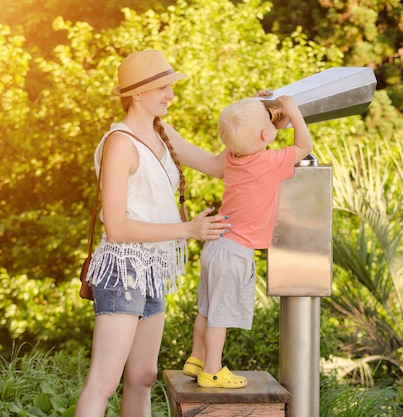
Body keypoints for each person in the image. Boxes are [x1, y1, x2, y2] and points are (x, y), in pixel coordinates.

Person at [74, 49, 233, 417]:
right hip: (122, 269)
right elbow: (115, 228)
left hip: (153, 269)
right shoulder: (119, 143)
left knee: (144, 377)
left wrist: (263, 119)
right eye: (163, 87)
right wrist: (188, 229)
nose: (170, 95)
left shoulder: (163, 134)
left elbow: (216, 165)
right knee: (104, 381)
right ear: (136, 94)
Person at [182, 95, 313, 388]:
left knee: (206, 308)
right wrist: (292, 111)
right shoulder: (269, 162)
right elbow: (305, 146)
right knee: (219, 314)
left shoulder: (232, 157)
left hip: (215, 245)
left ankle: (196, 359)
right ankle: (212, 370)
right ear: (266, 134)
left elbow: (250, 133)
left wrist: (261, 109)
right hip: (235, 252)